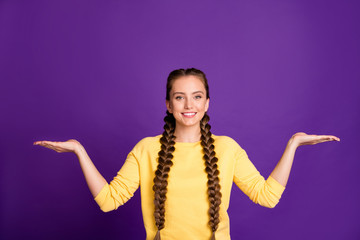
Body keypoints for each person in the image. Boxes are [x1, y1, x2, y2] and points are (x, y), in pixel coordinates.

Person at [33, 68, 340, 240]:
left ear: (207, 103)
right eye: (179, 97)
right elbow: (109, 201)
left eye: (197, 96)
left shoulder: (227, 148)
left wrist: (293, 145)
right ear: (169, 104)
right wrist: (79, 151)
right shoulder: (147, 149)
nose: (188, 104)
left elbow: (267, 196)